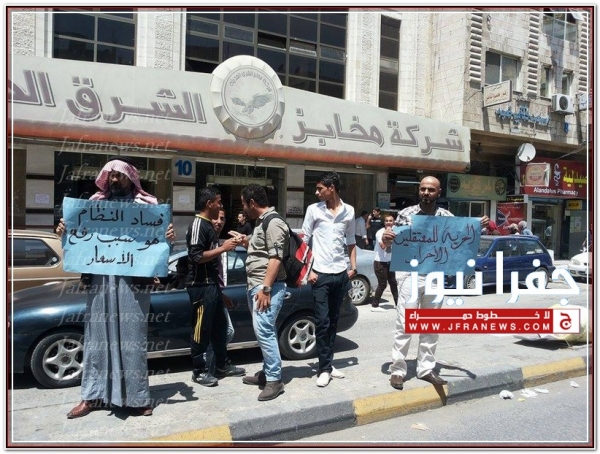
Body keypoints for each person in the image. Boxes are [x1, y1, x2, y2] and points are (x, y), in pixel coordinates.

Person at [55, 156, 176, 419]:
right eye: (111, 174)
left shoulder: (147, 207)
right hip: (101, 280)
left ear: (131, 177)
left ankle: (137, 398)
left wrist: (168, 238)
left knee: (132, 339)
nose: (114, 179)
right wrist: (64, 230)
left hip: (133, 284)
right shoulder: (93, 205)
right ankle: (92, 396)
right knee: (97, 338)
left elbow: (159, 247)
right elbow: (78, 239)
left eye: (119, 174)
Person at [382, 176, 488, 391]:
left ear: (439, 193)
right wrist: (387, 239)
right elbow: (391, 246)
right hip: (410, 275)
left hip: (436, 277)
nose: (426, 193)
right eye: (423, 189)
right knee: (405, 323)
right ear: (418, 191)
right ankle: (398, 370)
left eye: (431, 189)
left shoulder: (447, 217)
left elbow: (461, 240)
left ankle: (426, 368)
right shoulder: (406, 215)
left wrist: (478, 225)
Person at [231, 184, 288, 401]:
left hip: (266, 287)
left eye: (244, 204)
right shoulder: (262, 223)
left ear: (252, 203)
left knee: (264, 330)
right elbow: (261, 252)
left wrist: (266, 288)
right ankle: (267, 372)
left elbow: (275, 258)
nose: (244, 209)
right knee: (264, 331)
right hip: (256, 285)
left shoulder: (274, 223)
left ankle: (274, 380)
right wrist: (246, 242)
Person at [185, 187, 245, 388]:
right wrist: (223, 248)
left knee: (220, 328)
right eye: (218, 202)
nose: (221, 205)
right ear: (209, 203)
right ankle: (199, 371)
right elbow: (196, 257)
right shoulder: (197, 225)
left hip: (212, 286)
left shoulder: (209, 226)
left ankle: (222, 365)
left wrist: (220, 293)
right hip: (200, 286)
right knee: (201, 330)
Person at [302, 171, 357, 387]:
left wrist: (353, 267)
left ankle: (328, 363)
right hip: (320, 274)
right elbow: (304, 241)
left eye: (320, 189)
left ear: (331, 188)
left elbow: (351, 241)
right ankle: (324, 368)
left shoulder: (349, 211)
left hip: (340, 274)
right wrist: (308, 271)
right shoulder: (314, 210)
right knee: (322, 322)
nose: (317, 192)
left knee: (334, 321)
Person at [204, 208, 236, 379]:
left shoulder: (217, 241)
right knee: (222, 332)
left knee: (224, 331)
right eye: (215, 218)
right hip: (207, 292)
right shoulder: (207, 239)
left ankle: (217, 365)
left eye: (222, 218)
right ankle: (208, 366)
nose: (219, 222)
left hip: (217, 292)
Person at [371, 214, 399, 311]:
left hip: (389, 261)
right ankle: (375, 306)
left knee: (393, 283)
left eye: (390, 221)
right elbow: (383, 246)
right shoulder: (380, 232)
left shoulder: (395, 232)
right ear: (384, 222)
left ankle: (398, 304)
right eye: (387, 221)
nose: (388, 223)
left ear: (393, 222)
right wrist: (389, 239)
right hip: (380, 262)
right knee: (382, 284)